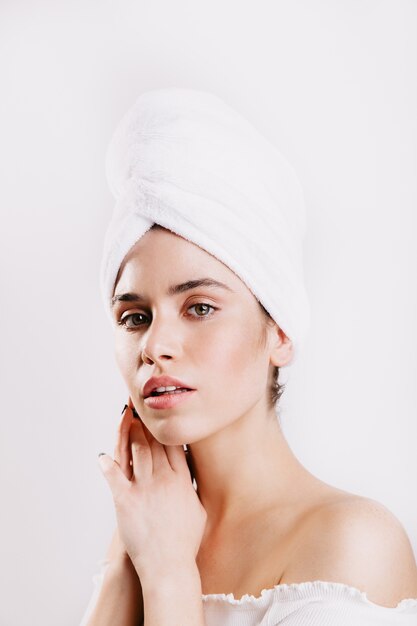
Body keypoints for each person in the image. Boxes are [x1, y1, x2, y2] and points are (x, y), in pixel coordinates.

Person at [79, 88, 417, 625]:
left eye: (200, 307)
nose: (154, 346)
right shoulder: (150, 529)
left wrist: (168, 576)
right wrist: (130, 551)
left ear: (279, 332)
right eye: (134, 316)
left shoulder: (354, 544)